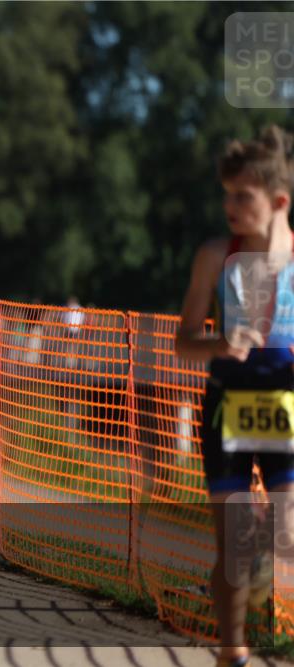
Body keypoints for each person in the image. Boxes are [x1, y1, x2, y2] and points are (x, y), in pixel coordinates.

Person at [175, 125, 294, 667]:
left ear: (277, 202)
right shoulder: (214, 256)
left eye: (241, 196)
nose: (229, 205)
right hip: (226, 405)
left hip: (283, 410)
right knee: (234, 549)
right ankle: (233, 653)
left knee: (284, 535)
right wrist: (221, 342)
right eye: (226, 194)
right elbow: (182, 343)